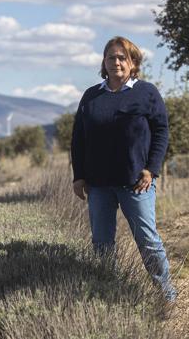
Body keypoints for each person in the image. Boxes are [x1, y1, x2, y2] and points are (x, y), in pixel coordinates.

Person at [70, 36, 176, 301]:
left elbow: (161, 131)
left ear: (133, 63)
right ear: (103, 63)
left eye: (122, 57)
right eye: (110, 57)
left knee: (148, 242)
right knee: (102, 245)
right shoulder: (91, 96)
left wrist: (151, 169)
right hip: (98, 184)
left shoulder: (147, 93)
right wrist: (79, 176)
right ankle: (110, 295)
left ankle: (166, 295)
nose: (115, 62)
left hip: (136, 182)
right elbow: (78, 138)